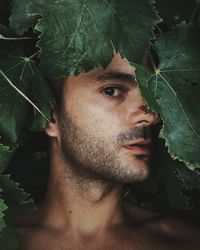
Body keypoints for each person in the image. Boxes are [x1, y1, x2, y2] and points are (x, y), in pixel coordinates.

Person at [15, 52, 200, 250]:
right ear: (50, 116)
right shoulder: (9, 241)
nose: (150, 117)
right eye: (112, 91)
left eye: (151, 94)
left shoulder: (186, 242)